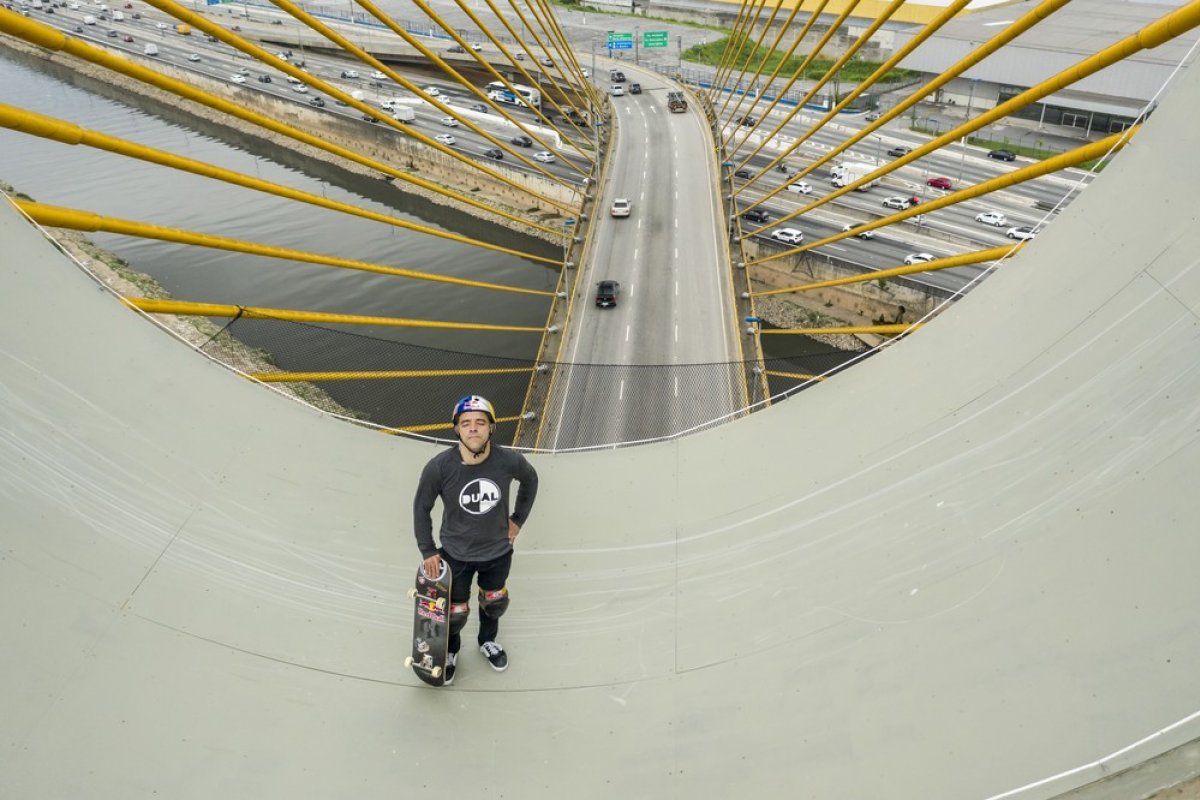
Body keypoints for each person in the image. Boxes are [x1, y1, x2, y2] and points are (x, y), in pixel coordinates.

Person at [412, 395, 538, 685]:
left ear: (491, 428)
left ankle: (487, 641)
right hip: (455, 554)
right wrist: (428, 550)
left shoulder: (509, 461)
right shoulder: (439, 467)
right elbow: (421, 507)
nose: (473, 428)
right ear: (456, 429)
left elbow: (530, 481)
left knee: (494, 602)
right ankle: (451, 650)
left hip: (498, 551)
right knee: (455, 612)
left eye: (480, 422)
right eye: (465, 423)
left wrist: (517, 519)